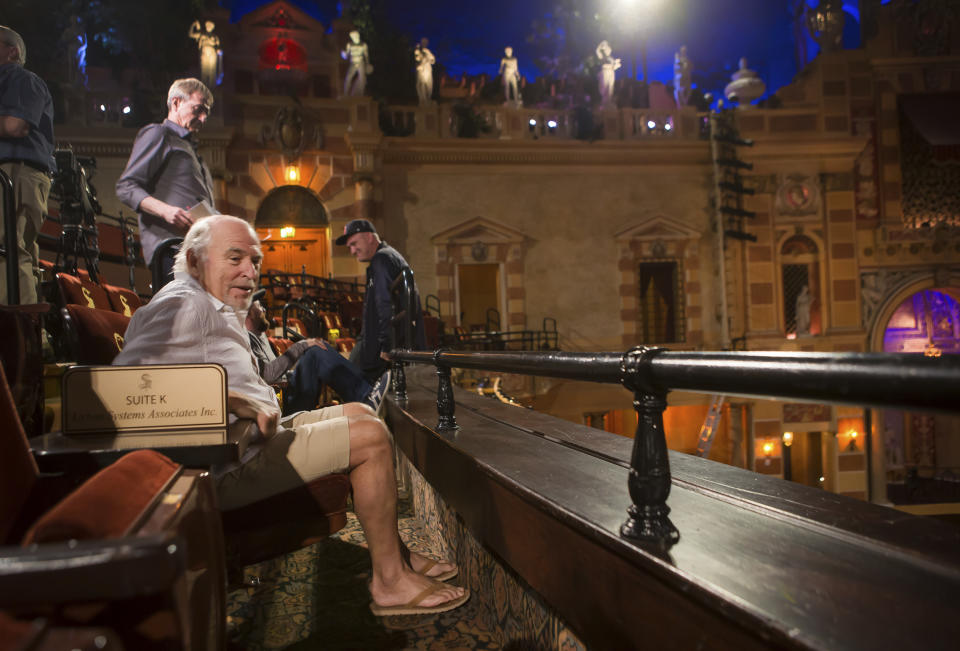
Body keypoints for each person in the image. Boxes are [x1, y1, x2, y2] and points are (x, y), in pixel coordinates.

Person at [114, 215, 468, 615]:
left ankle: (396, 557)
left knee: (359, 413)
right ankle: (390, 583)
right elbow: (123, 391)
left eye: (255, 260)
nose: (250, 272)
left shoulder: (210, 303)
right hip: (219, 468)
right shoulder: (182, 303)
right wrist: (234, 402)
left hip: (257, 440)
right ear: (195, 261)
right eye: (235, 258)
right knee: (369, 439)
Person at [116, 78, 215, 291]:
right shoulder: (158, 134)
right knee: (181, 320)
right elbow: (126, 187)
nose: (203, 118)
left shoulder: (190, 149)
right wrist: (167, 211)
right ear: (176, 103)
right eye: (198, 109)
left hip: (195, 251)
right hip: (172, 250)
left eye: (207, 112)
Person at [245, 295, 390, 414]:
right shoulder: (244, 340)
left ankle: (369, 392)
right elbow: (267, 375)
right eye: (259, 306)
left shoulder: (260, 337)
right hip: (279, 406)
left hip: (285, 393)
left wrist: (293, 371)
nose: (264, 309)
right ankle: (366, 397)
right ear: (248, 312)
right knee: (315, 352)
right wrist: (301, 346)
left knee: (318, 348)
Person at [0, 26, 55, 305]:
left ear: (13, 52)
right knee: (20, 253)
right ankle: (31, 337)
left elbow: (15, 125)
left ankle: (15, 338)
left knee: (7, 250)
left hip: (15, 173)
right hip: (20, 174)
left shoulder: (20, 78)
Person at [336, 219, 425, 385]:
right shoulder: (388, 256)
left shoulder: (381, 259)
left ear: (369, 237)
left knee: (354, 392)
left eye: (354, 244)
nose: (353, 251)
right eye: (349, 247)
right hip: (379, 346)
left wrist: (387, 346)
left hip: (378, 351)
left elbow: (385, 304)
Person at [188, 20, 222, 90]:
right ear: (206, 26)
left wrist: (218, 50)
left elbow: (218, 46)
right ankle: (204, 88)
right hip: (204, 53)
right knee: (204, 70)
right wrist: (193, 25)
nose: (208, 27)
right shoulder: (201, 34)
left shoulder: (215, 37)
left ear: (212, 28)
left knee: (212, 70)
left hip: (212, 53)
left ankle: (212, 88)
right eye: (207, 25)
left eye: (210, 26)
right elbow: (191, 34)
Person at [341, 30, 370, 97]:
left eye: (353, 36)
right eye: (352, 37)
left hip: (361, 62)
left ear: (357, 36)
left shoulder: (363, 45)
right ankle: (345, 94)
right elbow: (346, 55)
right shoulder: (349, 45)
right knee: (348, 78)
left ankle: (361, 94)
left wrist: (368, 64)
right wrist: (343, 55)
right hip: (353, 63)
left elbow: (366, 55)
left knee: (362, 78)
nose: (353, 38)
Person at [596, 40, 621, 108]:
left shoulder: (611, 58)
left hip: (611, 72)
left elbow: (613, 67)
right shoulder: (602, 57)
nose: (608, 50)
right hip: (605, 72)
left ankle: (609, 101)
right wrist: (601, 45)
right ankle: (605, 102)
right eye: (607, 49)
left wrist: (616, 65)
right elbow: (597, 51)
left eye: (609, 49)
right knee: (605, 87)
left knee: (610, 87)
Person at [414, 38, 435, 105]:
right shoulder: (418, 51)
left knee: (428, 85)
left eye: (426, 42)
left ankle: (427, 99)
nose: (424, 43)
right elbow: (417, 58)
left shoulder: (428, 51)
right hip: (422, 70)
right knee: (421, 85)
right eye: (423, 42)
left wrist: (429, 58)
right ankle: (422, 100)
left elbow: (433, 60)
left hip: (427, 70)